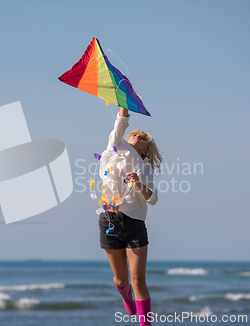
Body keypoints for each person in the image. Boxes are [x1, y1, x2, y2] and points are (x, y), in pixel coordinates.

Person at [98, 107, 162, 326]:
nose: (138, 135)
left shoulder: (144, 168)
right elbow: (121, 122)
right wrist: (123, 101)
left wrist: (138, 184)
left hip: (134, 224)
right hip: (109, 221)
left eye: (144, 137)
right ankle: (125, 296)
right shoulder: (115, 146)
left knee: (137, 280)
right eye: (135, 133)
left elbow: (152, 198)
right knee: (121, 279)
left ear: (146, 150)